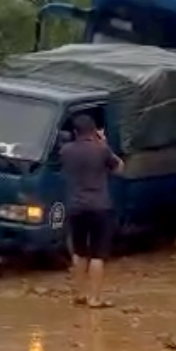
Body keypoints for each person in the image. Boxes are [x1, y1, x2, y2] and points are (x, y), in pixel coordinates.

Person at [60, 114, 124, 309]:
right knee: (98, 255)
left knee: (79, 252)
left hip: (76, 206)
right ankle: (94, 298)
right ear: (94, 130)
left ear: (75, 132)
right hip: (100, 207)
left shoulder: (66, 151)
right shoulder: (101, 150)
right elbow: (120, 168)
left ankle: (79, 294)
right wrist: (104, 143)